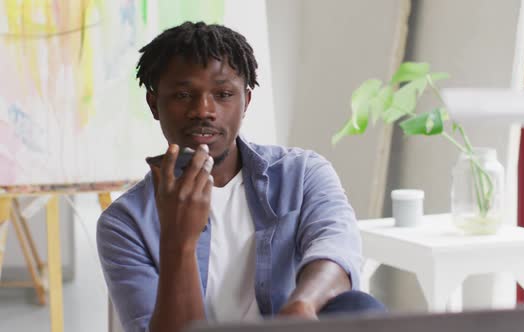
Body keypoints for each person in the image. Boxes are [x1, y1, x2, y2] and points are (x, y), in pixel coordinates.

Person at [97, 21, 386, 332]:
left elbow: (336, 248)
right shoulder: (124, 222)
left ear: (246, 101)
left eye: (223, 94)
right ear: (154, 104)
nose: (204, 110)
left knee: (358, 306)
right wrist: (178, 241)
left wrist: (301, 305)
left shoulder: (302, 175)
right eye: (182, 95)